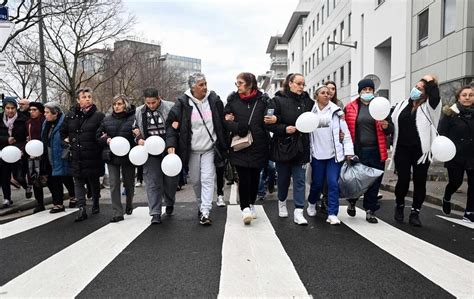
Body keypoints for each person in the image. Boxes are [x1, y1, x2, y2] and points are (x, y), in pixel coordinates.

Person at [167, 73, 228, 226]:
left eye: (205, 83)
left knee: (207, 179)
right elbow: (171, 125)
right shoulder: (182, 103)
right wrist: (171, 144)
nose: (205, 87)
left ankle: (205, 211)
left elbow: (222, 122)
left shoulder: (214, 100)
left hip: (210, 148)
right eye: (201, 85)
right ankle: (201, 205)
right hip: (192, 150)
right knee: (196, 181)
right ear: (193, 87)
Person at [391, 75, 441, 226]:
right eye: (416, 87)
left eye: (420, 89)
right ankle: (399, 206)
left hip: (421, 152)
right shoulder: (402, 105)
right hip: (402, 149)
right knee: (403, 181)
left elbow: (435, 95)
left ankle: (415, 212)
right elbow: (391, 121)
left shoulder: (431, 107)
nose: (416, 90)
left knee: (420, 182)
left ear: (426, 93)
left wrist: (431, 81)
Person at [224, 72, 272, 224]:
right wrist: (238, 126)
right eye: (236, 83)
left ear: (250, 84)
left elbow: (269, 119)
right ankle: (244, 208)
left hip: (259, 143)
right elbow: (225, 120)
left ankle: (251, 204)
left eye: (240, 83)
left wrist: (273, 119)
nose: (237, 86)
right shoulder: (232, 100)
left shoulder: (263, 100)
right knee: (243, 177)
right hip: (240, 144)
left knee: (255, 177)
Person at [344, 78, 393, 223]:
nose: (367, 92)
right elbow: (345, 128)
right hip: (358, 151)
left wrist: (386, 127)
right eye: (364, 90)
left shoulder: (381, 107)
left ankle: (370, 210)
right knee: (356, 180)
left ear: (373, 91)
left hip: (377, 151)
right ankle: (352, 201)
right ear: (360, 91)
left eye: (370, 90)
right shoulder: (350, 107)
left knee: (374, 181)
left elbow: (391, 129)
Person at [267, 73, 313, 225]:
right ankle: (281, 202)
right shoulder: (277, 100)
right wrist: (284, 128)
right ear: (290, 83)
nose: (301, 87)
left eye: (303, 84)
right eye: (298, 83)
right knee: (283, 180)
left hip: (301, 146)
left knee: (300, 180)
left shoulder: (307, 101)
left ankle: (299, 211)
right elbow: (268, 122)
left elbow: (317, 114)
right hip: (283, 146)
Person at [307, 85, 354, 225]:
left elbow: (345, 133)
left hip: (334, 156)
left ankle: (332, 213)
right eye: (323, 93)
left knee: (333, 183)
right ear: (316, 96)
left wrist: (349, 152)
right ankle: (311, 202)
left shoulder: (337, 112)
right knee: (317, 184)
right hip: (317, 155)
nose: (326, 95)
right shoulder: (310, 112)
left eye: (328, 93)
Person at [133, 87, 177, 224]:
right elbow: (134, 129)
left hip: (168, 149)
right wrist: (138, 138)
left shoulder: (170, 107)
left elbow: (175, 128)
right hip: (150, 151)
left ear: (159, 98)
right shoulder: (139, 111)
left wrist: (171, 145)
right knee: (152, 182)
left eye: (153, 102)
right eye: (148, 103)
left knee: (170, 182)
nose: (151, 105)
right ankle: (155, 213)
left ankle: (170, 202)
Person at [61, 87, 105, 222]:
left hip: (92, 154)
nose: (87, 99)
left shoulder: (98, 116)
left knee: (93, 180)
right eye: (84, 97)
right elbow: (62, 132)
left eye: (89, 97)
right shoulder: (70, 115)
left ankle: (96, 202)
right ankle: (81, 208)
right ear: (78, 100)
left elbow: (101, 133)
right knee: (78, 181)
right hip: (76, 154)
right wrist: (66, 140)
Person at [97, 95, 136, 223]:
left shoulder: (133, 118)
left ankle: (129, 203)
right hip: (111, 155)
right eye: (114, 104)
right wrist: (106, 139)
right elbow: (98, 135)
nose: (116, 107)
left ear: (125, 104)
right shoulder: (106, 120)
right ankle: (117, 212)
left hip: (128, 156)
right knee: (114, 184)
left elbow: (137, 134)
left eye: (119, 104)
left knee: (129, 183)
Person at [438, 86, 474, 222]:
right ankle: (447, 197)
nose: (467, 97)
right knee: (455, 182)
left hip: (472, 154)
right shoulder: (450, 114)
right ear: (458, 97)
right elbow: (441, 133)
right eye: (464, 95)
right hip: (455, 155)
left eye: (471, 95)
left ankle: (470, 212)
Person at [41, 102, 76, 213]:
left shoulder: (64, 122)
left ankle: (73, 196)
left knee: (66, 177)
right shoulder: (45, 123)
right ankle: (58, 204)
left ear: (55, 113)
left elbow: (70, 135)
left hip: (62, 155)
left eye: (47, 112)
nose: (45, 115)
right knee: (54, 180)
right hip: (50, 156)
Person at [0, 97, 28, 208]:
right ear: (4, 109)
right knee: (4, 175)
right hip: (3, 151)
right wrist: (6, 139)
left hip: (18, 150)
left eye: (13, 108)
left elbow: (26, 135)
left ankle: (26, 186)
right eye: (8, 108)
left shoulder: (23, 119)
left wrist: (21, 146)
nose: (10, 111)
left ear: (16, 108)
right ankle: (7, 198)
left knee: (18, 176)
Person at [25, 102, 47, 212]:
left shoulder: (45, 121)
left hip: (45, 153)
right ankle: (40, 203)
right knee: (35, 179)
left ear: (40, 111)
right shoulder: (28, 123)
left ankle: (58, 200)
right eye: (30, 110)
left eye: (34, 110)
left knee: (49, 178)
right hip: (33, 154)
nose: (31, 112)